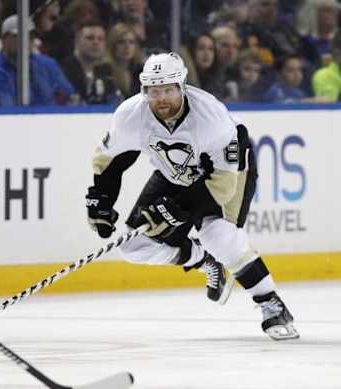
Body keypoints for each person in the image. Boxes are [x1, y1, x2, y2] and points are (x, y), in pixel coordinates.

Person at [85, 52, 299, 341]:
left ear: (182, 86)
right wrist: (101, 201)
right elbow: (109, 160)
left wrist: (176, 207)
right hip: (175, 174)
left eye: (169, 90)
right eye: (154, 91)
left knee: (218, 234)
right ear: (144, 90)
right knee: (133, 246)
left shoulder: (210, 118)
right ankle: (204, 259)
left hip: (230, 173)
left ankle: (271, 303)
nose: (161, 98)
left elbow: (223, 186)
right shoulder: (130, 114)